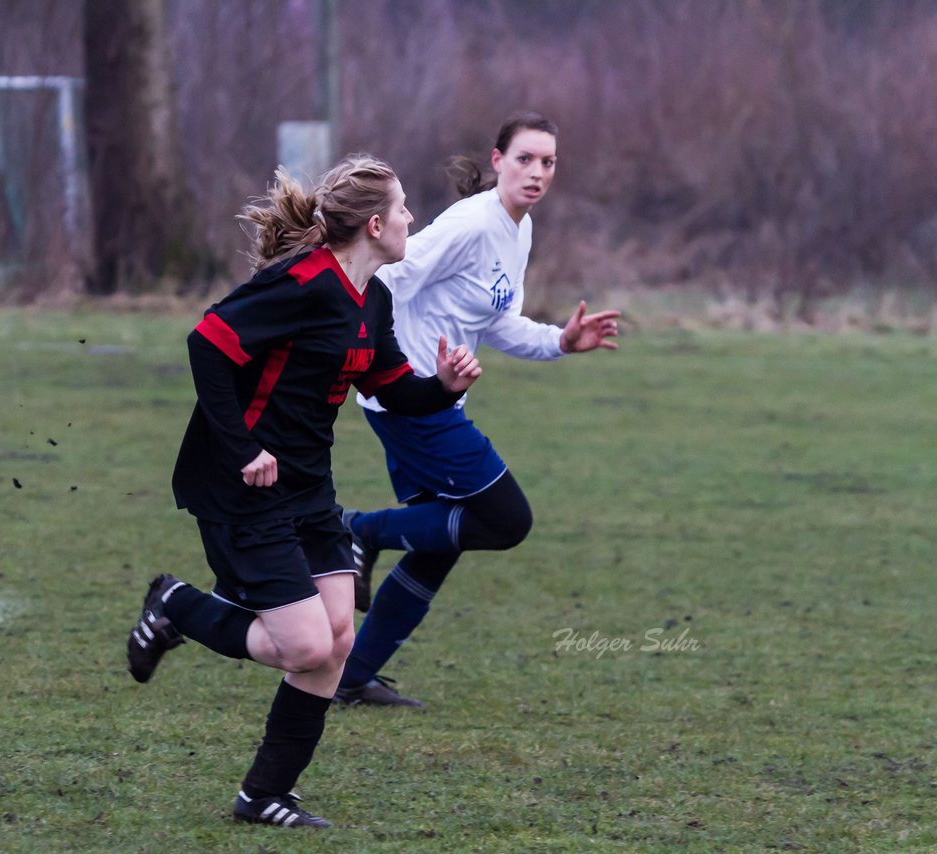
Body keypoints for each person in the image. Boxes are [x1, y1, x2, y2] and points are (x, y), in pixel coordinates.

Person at [125, 155, 482, 828]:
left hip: (310, 490)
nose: (412, 218)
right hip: (242, 486)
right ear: (375, 225)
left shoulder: (370, 299)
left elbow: (390, 388)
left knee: (338, 638)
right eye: (404, 208)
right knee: (306, 647)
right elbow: (208, 344)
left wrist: (444, 389)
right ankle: (175, 604)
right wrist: (244, 450)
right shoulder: (302, 283)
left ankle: (264, 795)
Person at [334, 113, 621, 709]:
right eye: (524, 159)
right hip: (412, 399)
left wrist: (559, 342)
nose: (537, 173)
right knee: (505, 519)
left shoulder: (519, 229)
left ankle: (350, 676)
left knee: (438, 545)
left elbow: (498, 322)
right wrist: (383, 366)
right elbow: (388, 277)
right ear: (497, 161)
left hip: (431, 397)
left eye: (548, 162)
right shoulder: (471, 223)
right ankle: (359, 529)